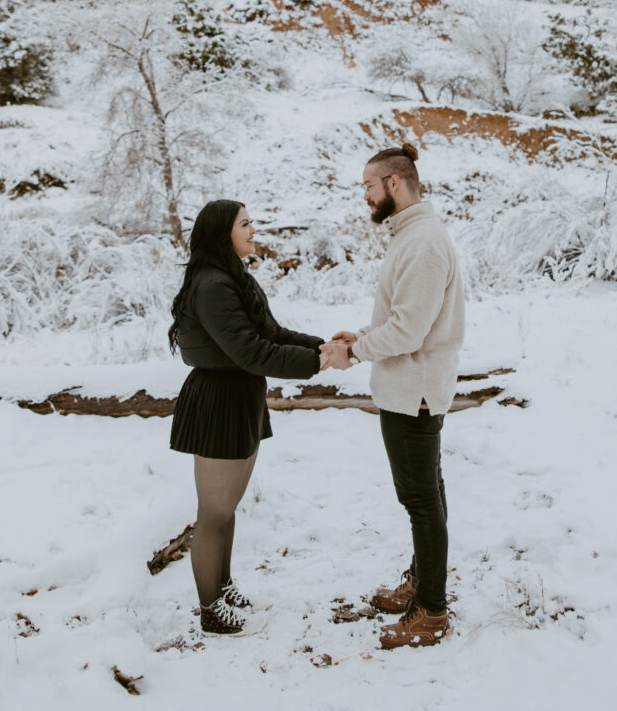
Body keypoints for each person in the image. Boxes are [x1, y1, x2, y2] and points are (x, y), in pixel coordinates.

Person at [320, 142, 465, 650]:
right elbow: (398, 317)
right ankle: (423, 583)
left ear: (394, 184)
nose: (364, 195)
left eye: (367, 185)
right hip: (410, 388)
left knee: (421, 499)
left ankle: (430, 610)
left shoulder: (422, 243)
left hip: (414, 391)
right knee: (427, 493)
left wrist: (355, 352)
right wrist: (357, 335)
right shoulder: (411, 237)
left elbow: (408, 330)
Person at [168, 199, 325, 635]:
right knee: (214, 512)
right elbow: (251, 351)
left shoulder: (237, 278)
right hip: (219, 398)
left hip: (241, 395)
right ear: (224, 233)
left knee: (228, 507)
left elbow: (271, 334)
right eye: (246, 223)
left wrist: (322, 347)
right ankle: (210, 609)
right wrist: (321, 364)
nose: (254, 230)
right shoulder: (212, 286)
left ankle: (222, 584)